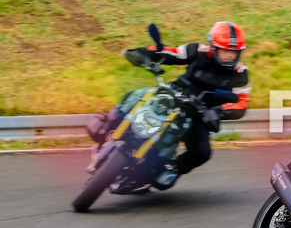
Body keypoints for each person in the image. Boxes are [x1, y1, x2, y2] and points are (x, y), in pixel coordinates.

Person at [89, 21, 251, 182]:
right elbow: (170, 53)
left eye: (234, 52)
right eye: (225, 51)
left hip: (200, 113)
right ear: (213, 48)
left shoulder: (241, 73)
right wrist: (144, 53)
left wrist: (218, 112)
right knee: (136, 95)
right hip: (173, 94)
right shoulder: (197, 50)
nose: (230, 56)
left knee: (202, 152)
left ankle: (170, 170)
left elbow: (242, 104)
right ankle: (105, 131)